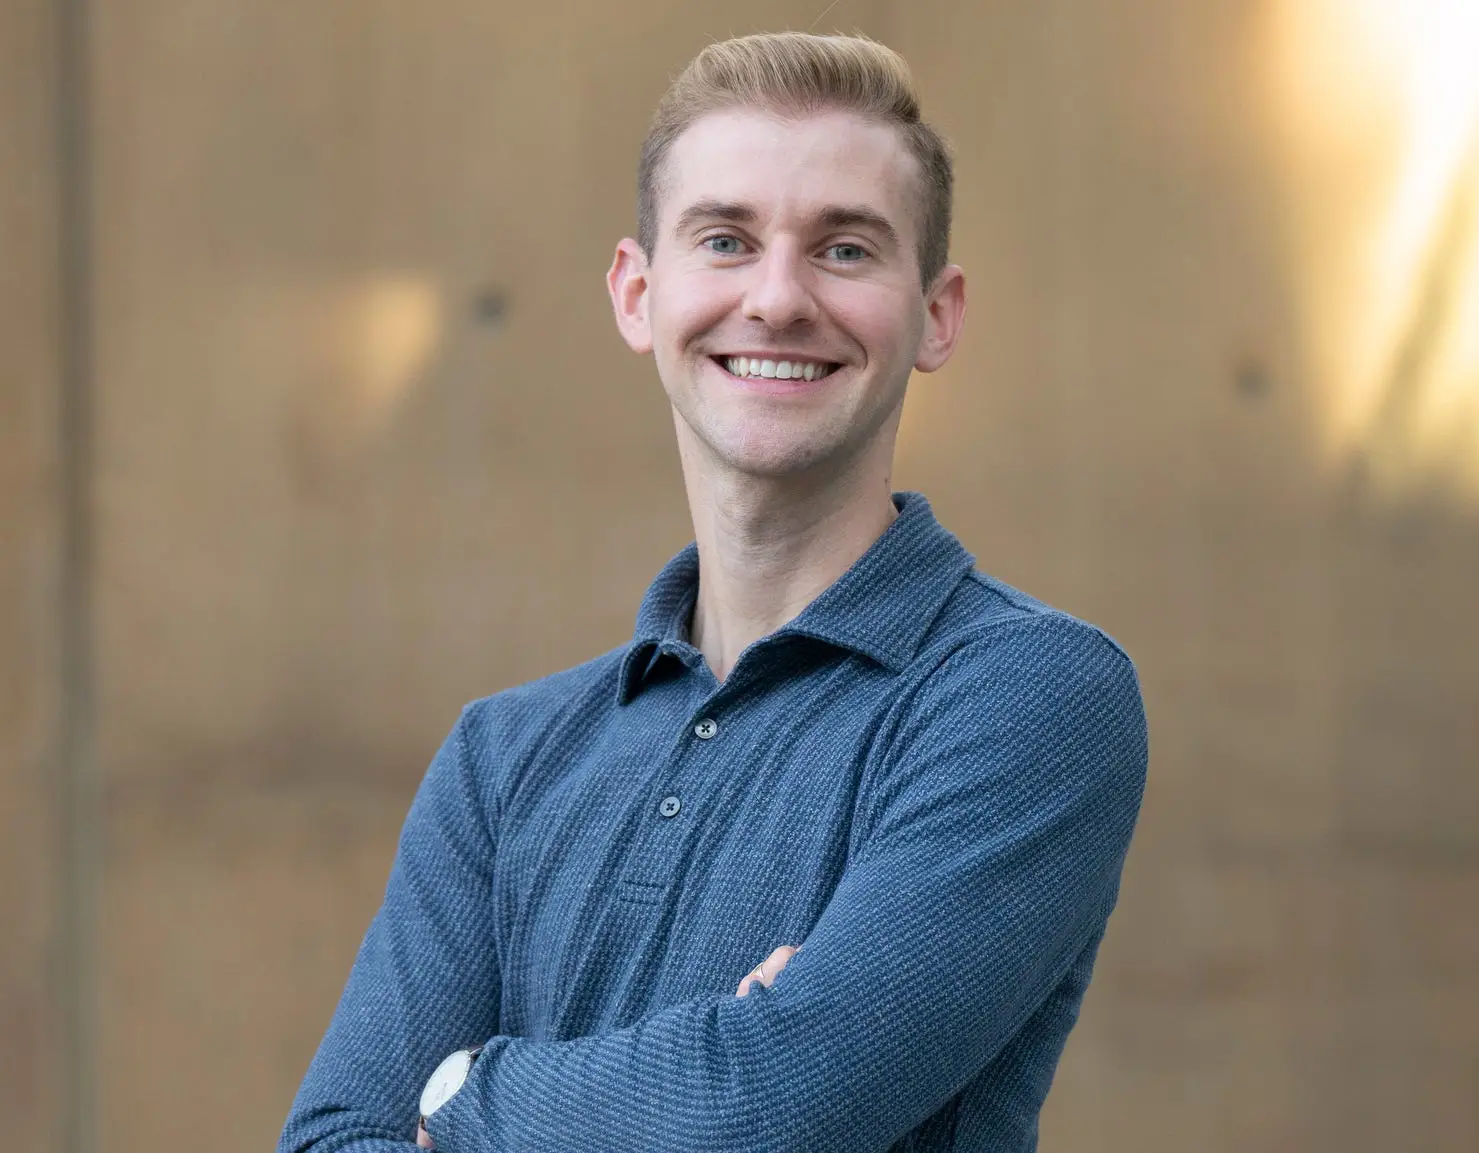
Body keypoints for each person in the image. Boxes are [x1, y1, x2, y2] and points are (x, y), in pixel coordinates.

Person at [278, 30, 1147, 1153]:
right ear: (639, 295)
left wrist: (462, 1092)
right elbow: (331, 1141)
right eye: (726, 240)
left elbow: (766, 1109)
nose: (778, 301)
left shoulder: (1025, 693)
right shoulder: (501, 761)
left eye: (843, 249)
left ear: (936, 312)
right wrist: (720, 1068)